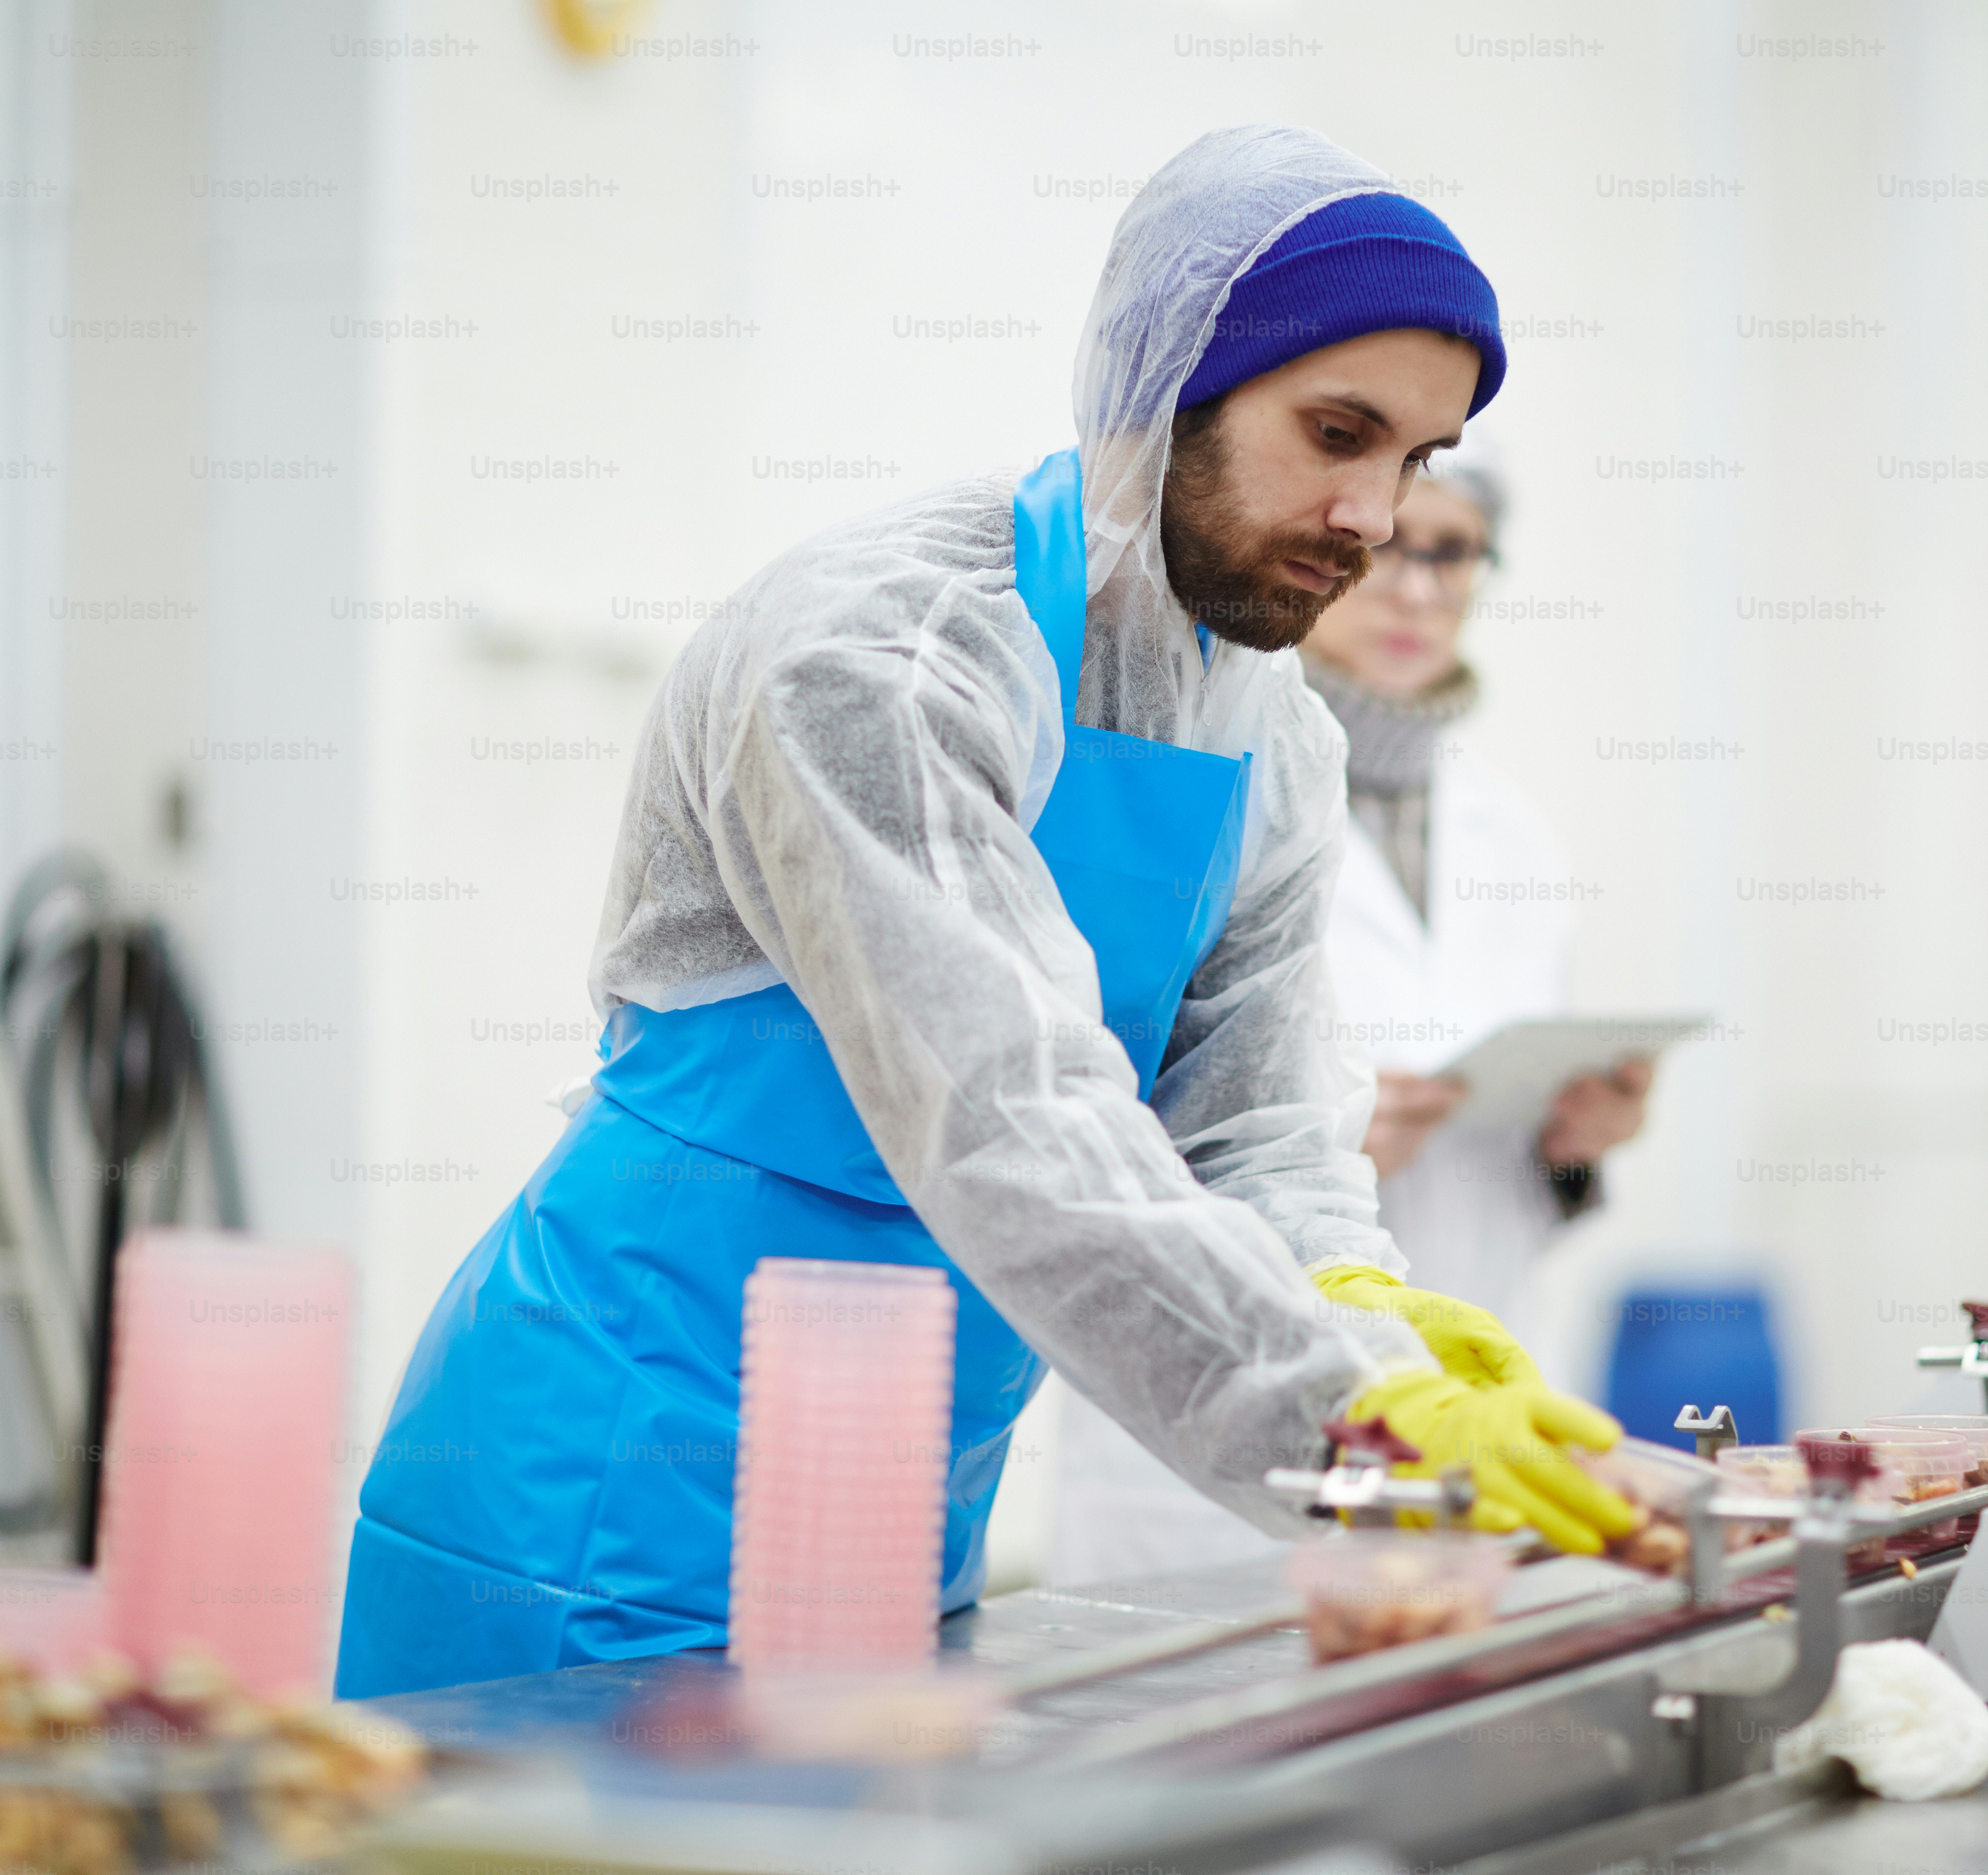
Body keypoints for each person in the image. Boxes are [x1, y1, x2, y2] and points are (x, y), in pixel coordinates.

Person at [331, 125, 1639, 1698]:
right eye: (1338, 430)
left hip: (898, 1487)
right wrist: (1354, 1423)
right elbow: (1005, 1114)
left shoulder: (1274, 740)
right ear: (1169, 388)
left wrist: (1362, 1310)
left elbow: (1255, 1138)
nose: (1374, 516)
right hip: (605, 1475)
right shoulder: (884, 658)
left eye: (1416, 463)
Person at [1046, 458, 1654, 1583]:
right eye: (1392, 548)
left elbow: (1527, 1184)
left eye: (1453, 552)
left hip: (1478, 1396)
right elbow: (1073, 1114)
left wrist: (1573, 1149)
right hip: (1232, 1430)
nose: (1417, 590)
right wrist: (1303, 1147)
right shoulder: (1202, 792)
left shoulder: (1514, 835)